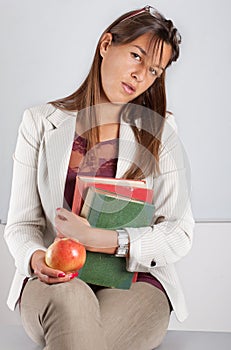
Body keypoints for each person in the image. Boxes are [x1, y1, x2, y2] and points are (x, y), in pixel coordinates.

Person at [4, 5, 194, 350]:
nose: (140, 76)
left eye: (154, 70)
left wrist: (105, 239)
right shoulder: (39, 123)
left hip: (137, 282)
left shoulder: (161, 131)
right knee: (72, 304)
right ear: (106, 44)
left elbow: (178, 232)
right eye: (136, 56)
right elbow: (21, 225)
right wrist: (35, 258)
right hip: (55, 279)